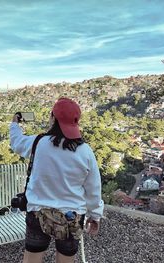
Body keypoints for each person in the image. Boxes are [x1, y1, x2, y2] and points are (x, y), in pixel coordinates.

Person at [10, 98, 104, 263]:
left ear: (52, 118)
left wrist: (14, 124)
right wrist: (95, 215)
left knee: (32, 258)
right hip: (71, 216)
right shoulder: (85, 152)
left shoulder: (38, 143)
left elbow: (16, 142)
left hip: (37, 212)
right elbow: (93, 189)